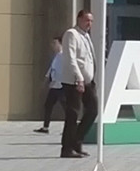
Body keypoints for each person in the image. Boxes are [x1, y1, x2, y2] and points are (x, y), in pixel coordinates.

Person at [58, 9, 97, 159]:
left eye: (91, 21)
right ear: (79, 19)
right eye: (87, 20)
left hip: (88, 82)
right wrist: (79, 78)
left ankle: (77, 141)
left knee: (93, 110)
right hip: (74, 81)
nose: (89, 24)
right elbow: (71, 58)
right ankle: (67, 148)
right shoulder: (71, 34)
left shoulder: (86, 36)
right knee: (73, 114)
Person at [32, 36, 63, 134]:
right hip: (54, 86)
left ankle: (71, 127)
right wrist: (45, 82)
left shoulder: (63, 56)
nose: (53, 46)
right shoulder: (56, 56)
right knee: (48, 105)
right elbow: (51, 70)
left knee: (67, 108)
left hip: (62, 86)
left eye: (55, 43)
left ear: (60, 44)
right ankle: (45, 127)